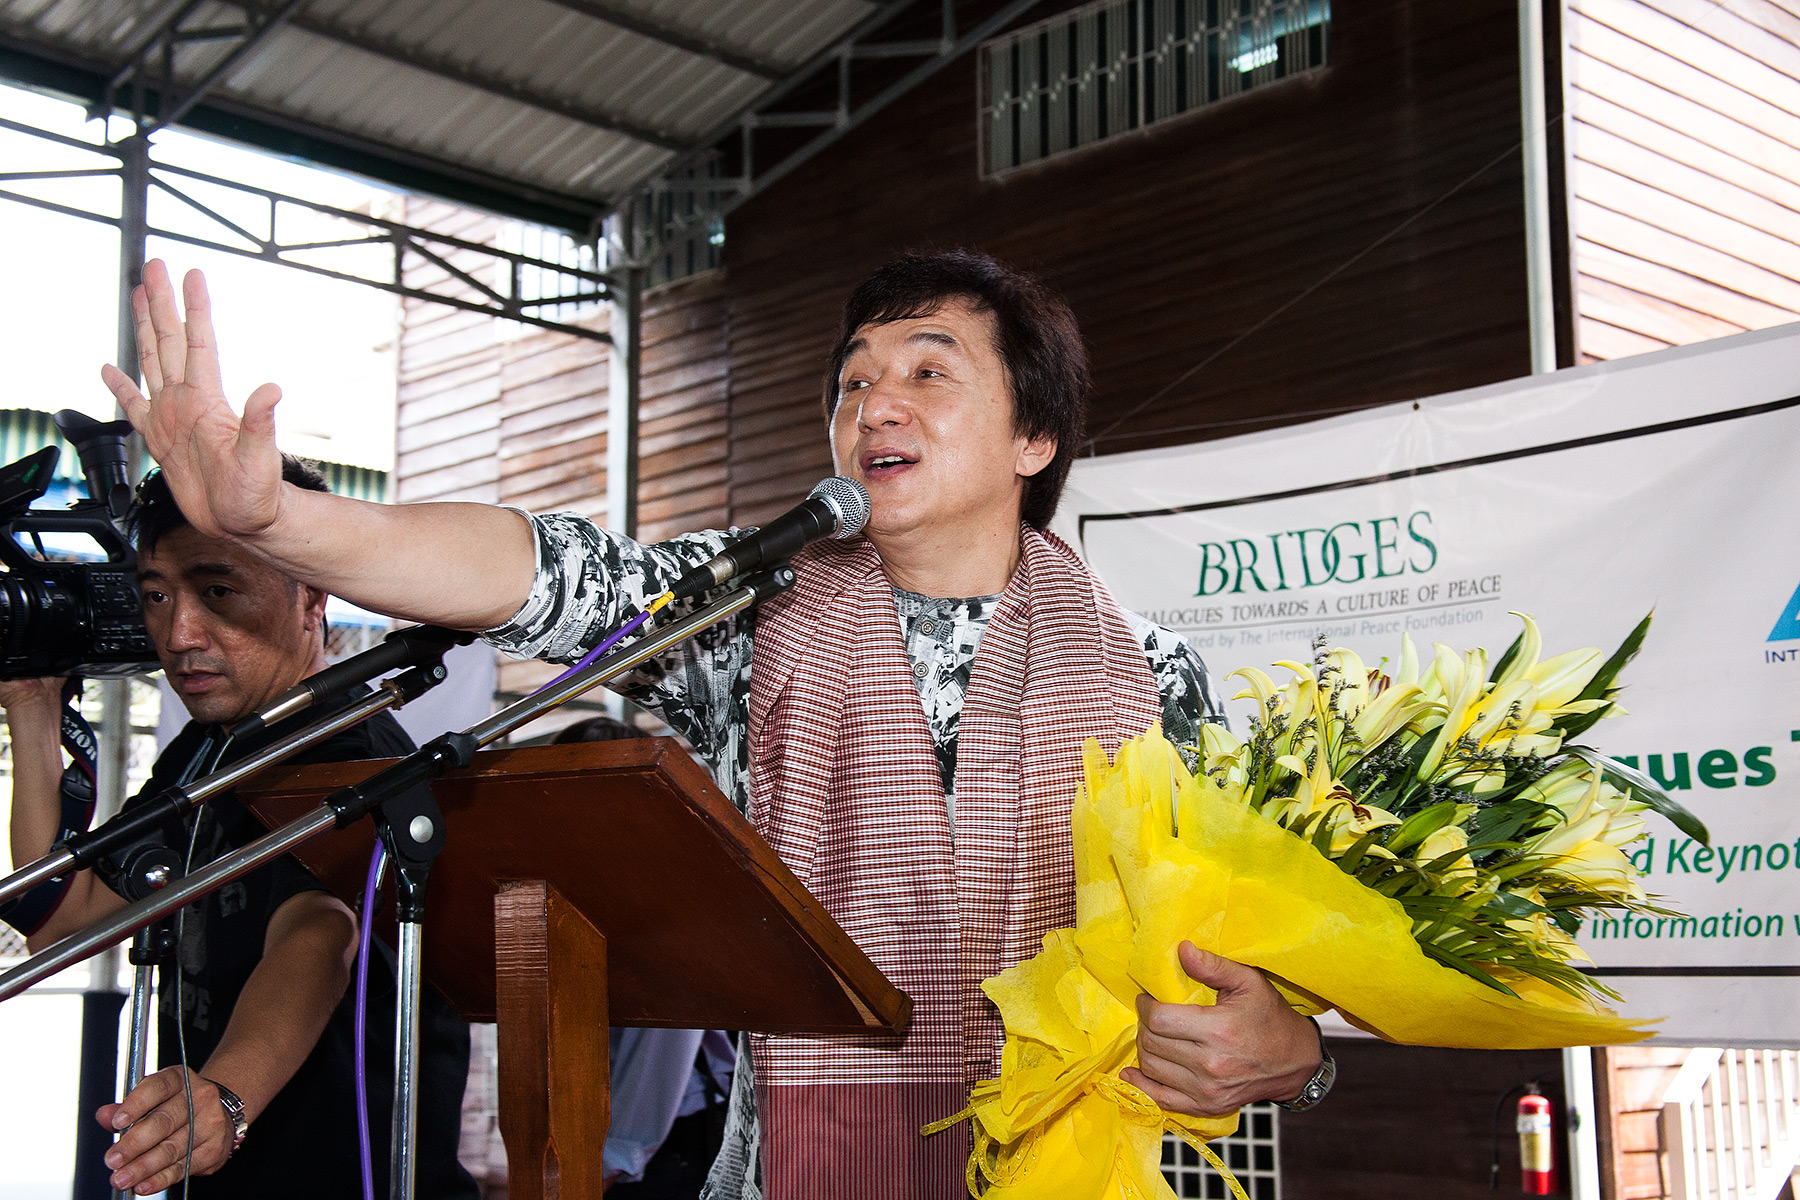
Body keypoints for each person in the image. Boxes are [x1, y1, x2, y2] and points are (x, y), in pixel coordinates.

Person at [107, 251, 1333, 1198]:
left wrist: (1301, 1048)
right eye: (852, 379)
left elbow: (1250, 964)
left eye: (925, 368)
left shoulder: (1149, 677)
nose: (872, 401)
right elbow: (546, 570)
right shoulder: (754, 614)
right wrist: (283, 525)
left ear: (1035, 437)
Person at [0, 460, 477, 1199]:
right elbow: (63, 918)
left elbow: (319, 934)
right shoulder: (208, 750)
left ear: (313, 594)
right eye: (156, 596)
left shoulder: (346, 749)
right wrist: (32, 704)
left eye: (218, 592)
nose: (180, 633)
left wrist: (225, 1094)